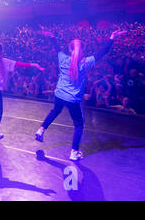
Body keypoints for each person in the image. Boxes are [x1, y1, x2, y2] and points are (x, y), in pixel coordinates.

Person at [35, 30, 127, 161]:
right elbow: (101, 53)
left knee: (55, 111)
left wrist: (52, 37)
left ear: (69, 48)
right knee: (79, 125)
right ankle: (74, 152)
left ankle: (41, 130)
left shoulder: (62, 58)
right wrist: (111, 38)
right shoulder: (85, 62)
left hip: (59, 94)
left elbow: (56, 48)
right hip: (73, 99)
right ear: (82, 50)